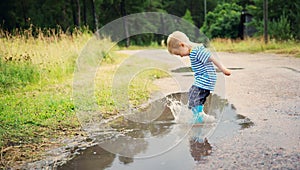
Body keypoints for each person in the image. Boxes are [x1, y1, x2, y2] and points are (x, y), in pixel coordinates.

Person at [167, 31, 231, 123]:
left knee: (195, 96)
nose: (180, 56)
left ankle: (199, 117)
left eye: (178, 53)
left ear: (182, 45)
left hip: (206, 79)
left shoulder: (197, 50)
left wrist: (223, 69)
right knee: (192, 95)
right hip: (201, 79)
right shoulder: (193, 51)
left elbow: (211, 57)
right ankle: (199, 115)